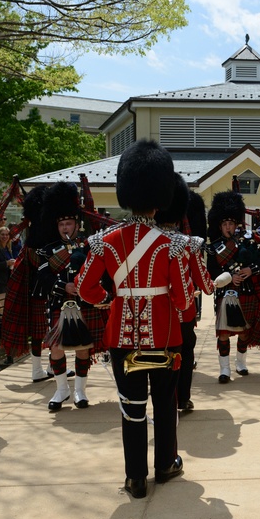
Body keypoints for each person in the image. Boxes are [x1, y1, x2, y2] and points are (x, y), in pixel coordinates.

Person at [75, 139, 191, 499]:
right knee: (165, 402)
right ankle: (166, 464)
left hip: (121, 336)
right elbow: (185, 300)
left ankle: (135, 477)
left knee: (132, 407)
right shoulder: (171, 243)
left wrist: (110, 300)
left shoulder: (105, 241)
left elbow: (84, 287)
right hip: (166, 335)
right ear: (160, 198)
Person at [36, 182, 109, 411]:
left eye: (69, 223)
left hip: (83, 303)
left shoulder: (88, 247)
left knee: (82, 348)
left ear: (77, 224)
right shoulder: (47, 250)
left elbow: (100, 272)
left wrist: (84, 285)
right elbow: (43, 278)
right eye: (61, 224)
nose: (65, 228)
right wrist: (63, 285)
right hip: (59, 303)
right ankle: (61, 390)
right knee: (56, 348)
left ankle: (80, 391)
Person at [155, 176, 214, 413]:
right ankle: (183, 398)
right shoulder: (188, 243)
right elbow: (206, 285)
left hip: (155, 311)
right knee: (185, 354)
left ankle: (163, 399)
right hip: (184, 311)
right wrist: (210, 286)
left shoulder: (148, 242)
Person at [206, 191, 260, 383]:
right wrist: (230, 277)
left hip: (247, 292)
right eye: (224, 224)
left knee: (244, 332)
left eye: (231, 223)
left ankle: (241, 363)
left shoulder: (248, 242)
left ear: (237, 224)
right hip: (226, 293)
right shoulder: (214, 248)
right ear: (220, 226)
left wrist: (251, 269)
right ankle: (224, 369)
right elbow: (212, 272)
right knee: (223, 333)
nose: (228, 227)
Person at [1, 186, 56, 384]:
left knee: (40, 330)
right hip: (44, 290)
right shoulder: (43, 243)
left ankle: (41, 368)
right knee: (46, 328)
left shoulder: (29, 245)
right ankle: (47, 367)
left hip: (33, 290)